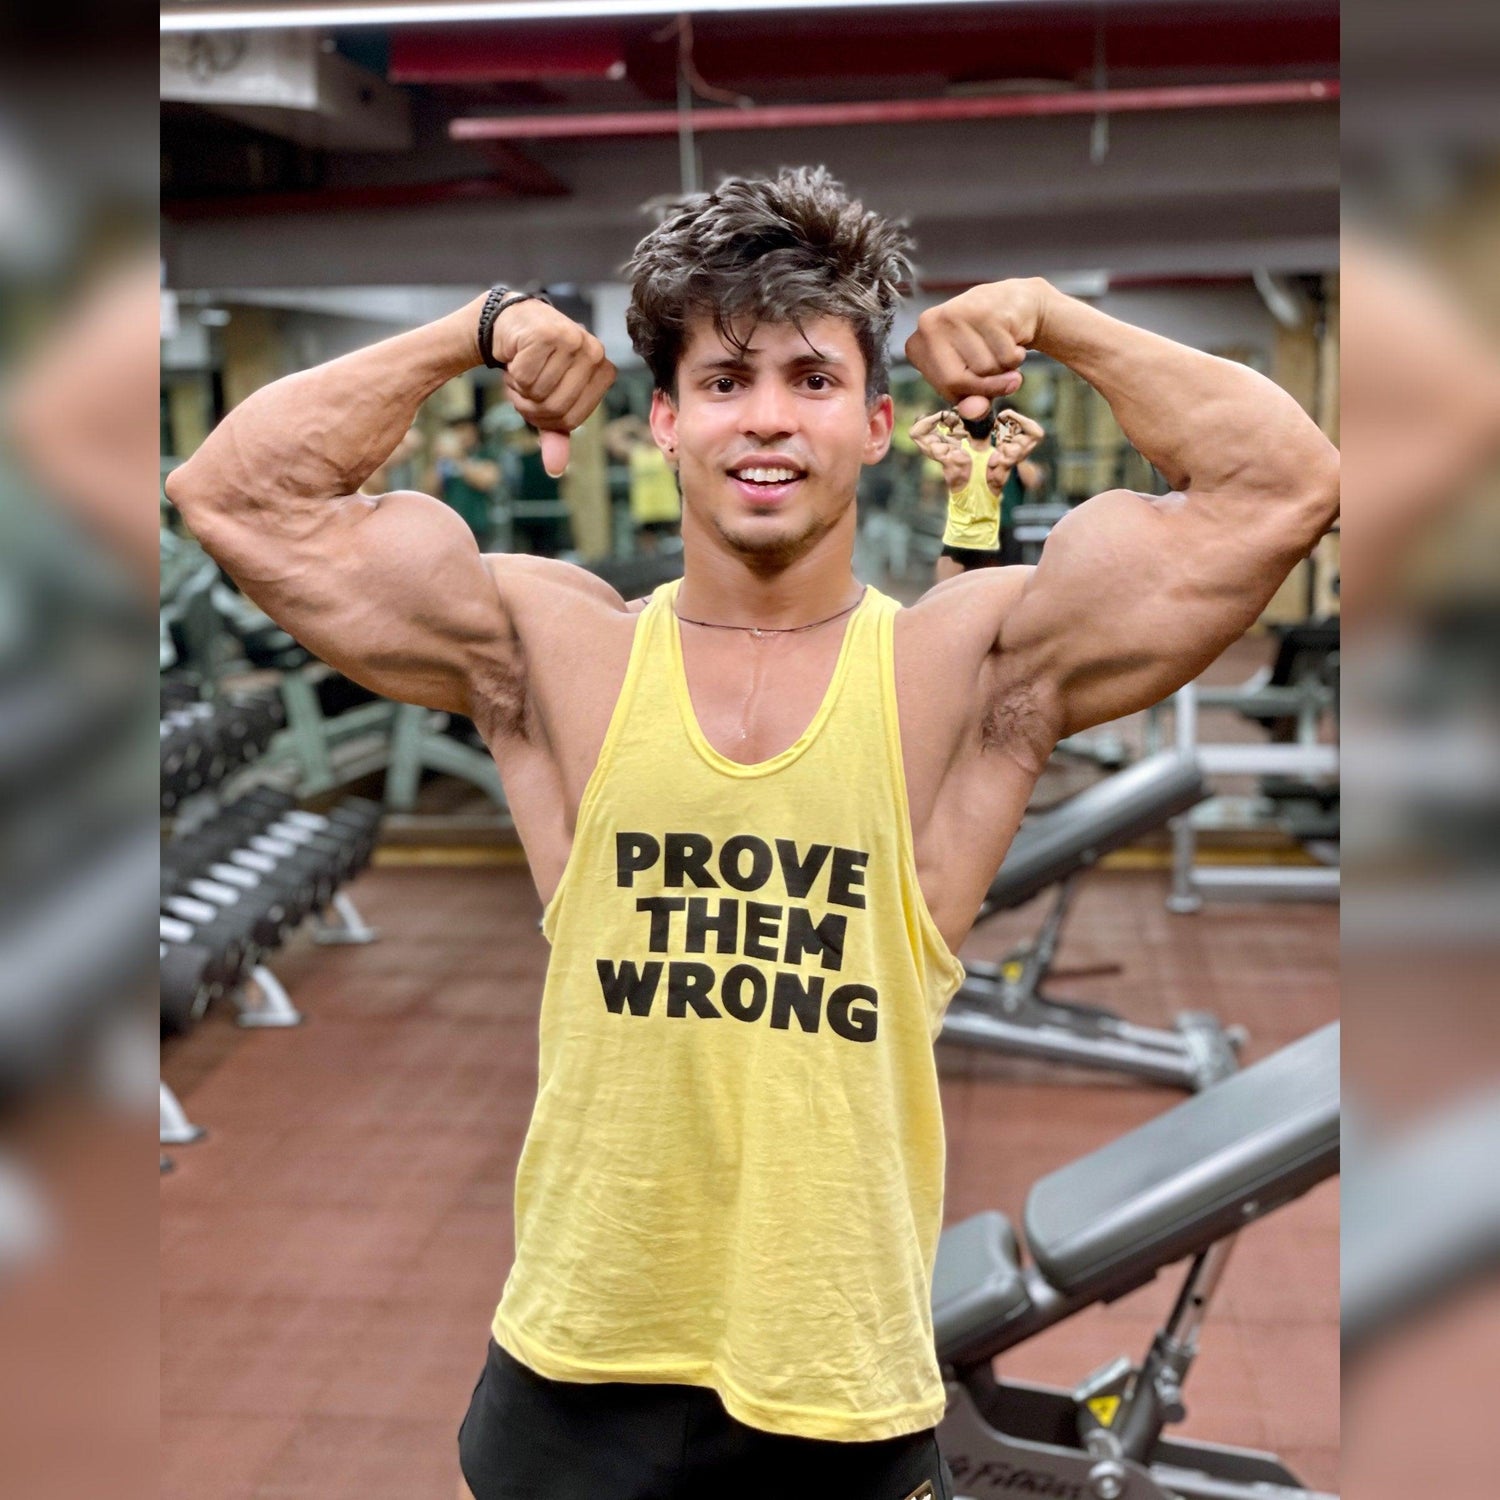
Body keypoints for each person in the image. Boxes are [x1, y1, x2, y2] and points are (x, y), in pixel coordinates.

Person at [163, 167, 1339, 1500]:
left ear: (880, 422)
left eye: (812, 378)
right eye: (725, 381)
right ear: (664, 419)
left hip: (834, 1387)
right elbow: (237, 496)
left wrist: (1056, 319)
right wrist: (472, 329)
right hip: (573, 1370)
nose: (768, 417)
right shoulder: (558, 653)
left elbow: (1282, 485)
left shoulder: (964, 666)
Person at [910, 404, 1044, 580]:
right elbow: (1037, 434)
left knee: (1000, 585)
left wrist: (941, 416)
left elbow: (1034, 481)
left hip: (1000, 529)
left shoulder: (1005, 453)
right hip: (968, 530)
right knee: (950, 585)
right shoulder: (964, 450)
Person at [606, 411, 682, 554]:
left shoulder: (667, 451)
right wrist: (630, 424)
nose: (649, 435)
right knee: (648, 551)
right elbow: (610, 437)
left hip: (668, 509)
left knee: (680, 546)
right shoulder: (635, 453)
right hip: (645, 511)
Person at [432, 415, 501, 548]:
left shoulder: (485, 454)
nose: (461, 436)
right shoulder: (445, 460)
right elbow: (429, 488)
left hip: (477, 525)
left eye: (464, 430)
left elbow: (485, 481)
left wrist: (458, 457)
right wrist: (437, 459)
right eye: (456, 431)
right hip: (449, 525)